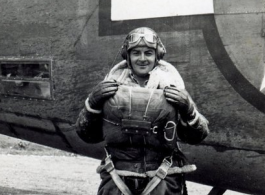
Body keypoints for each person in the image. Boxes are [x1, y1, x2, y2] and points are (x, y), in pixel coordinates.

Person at [76, 27, 209, 195]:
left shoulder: (172, 85)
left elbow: (197, 136)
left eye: (148, 53)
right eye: (136, 53)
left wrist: (188, 108)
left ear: (157, 55)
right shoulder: (112, 85)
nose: (142, 58)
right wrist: (92, 104)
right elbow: (88, 135)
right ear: (128, 56)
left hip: (163, 178)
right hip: (118, 176)